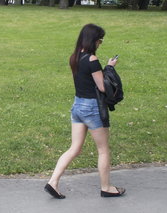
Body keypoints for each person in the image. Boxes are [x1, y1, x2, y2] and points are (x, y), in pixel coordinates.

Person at [45, 23, 125, 199]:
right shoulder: (92, 60)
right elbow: (102, 87)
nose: (100, 44)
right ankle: (107, 188)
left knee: (74, 148)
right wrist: (110, 67)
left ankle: (53, 182)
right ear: (92, 40)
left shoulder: (74, 57)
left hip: (77, 106)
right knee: (103, 150)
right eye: (99, 40)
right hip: (92, 108)